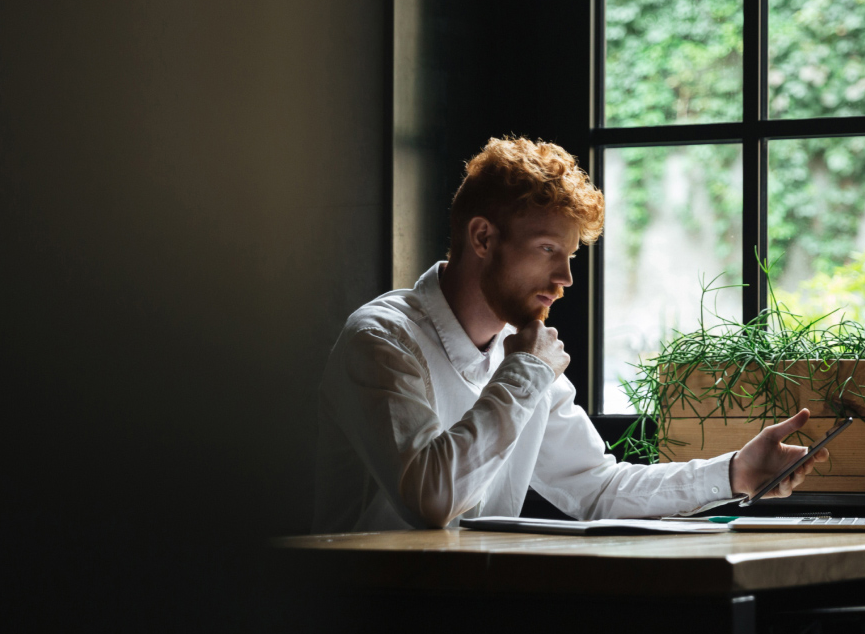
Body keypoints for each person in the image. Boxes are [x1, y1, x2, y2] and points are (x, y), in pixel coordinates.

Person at [312, 136, 825, 533]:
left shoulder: (525, 358)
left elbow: (597, 489)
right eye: (546, 250)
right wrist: (526, 374)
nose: (566, 279)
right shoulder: (382, 339)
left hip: (470, 621)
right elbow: (430, 499)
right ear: (483, 237)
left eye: (570, 257)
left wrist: (734, 472)